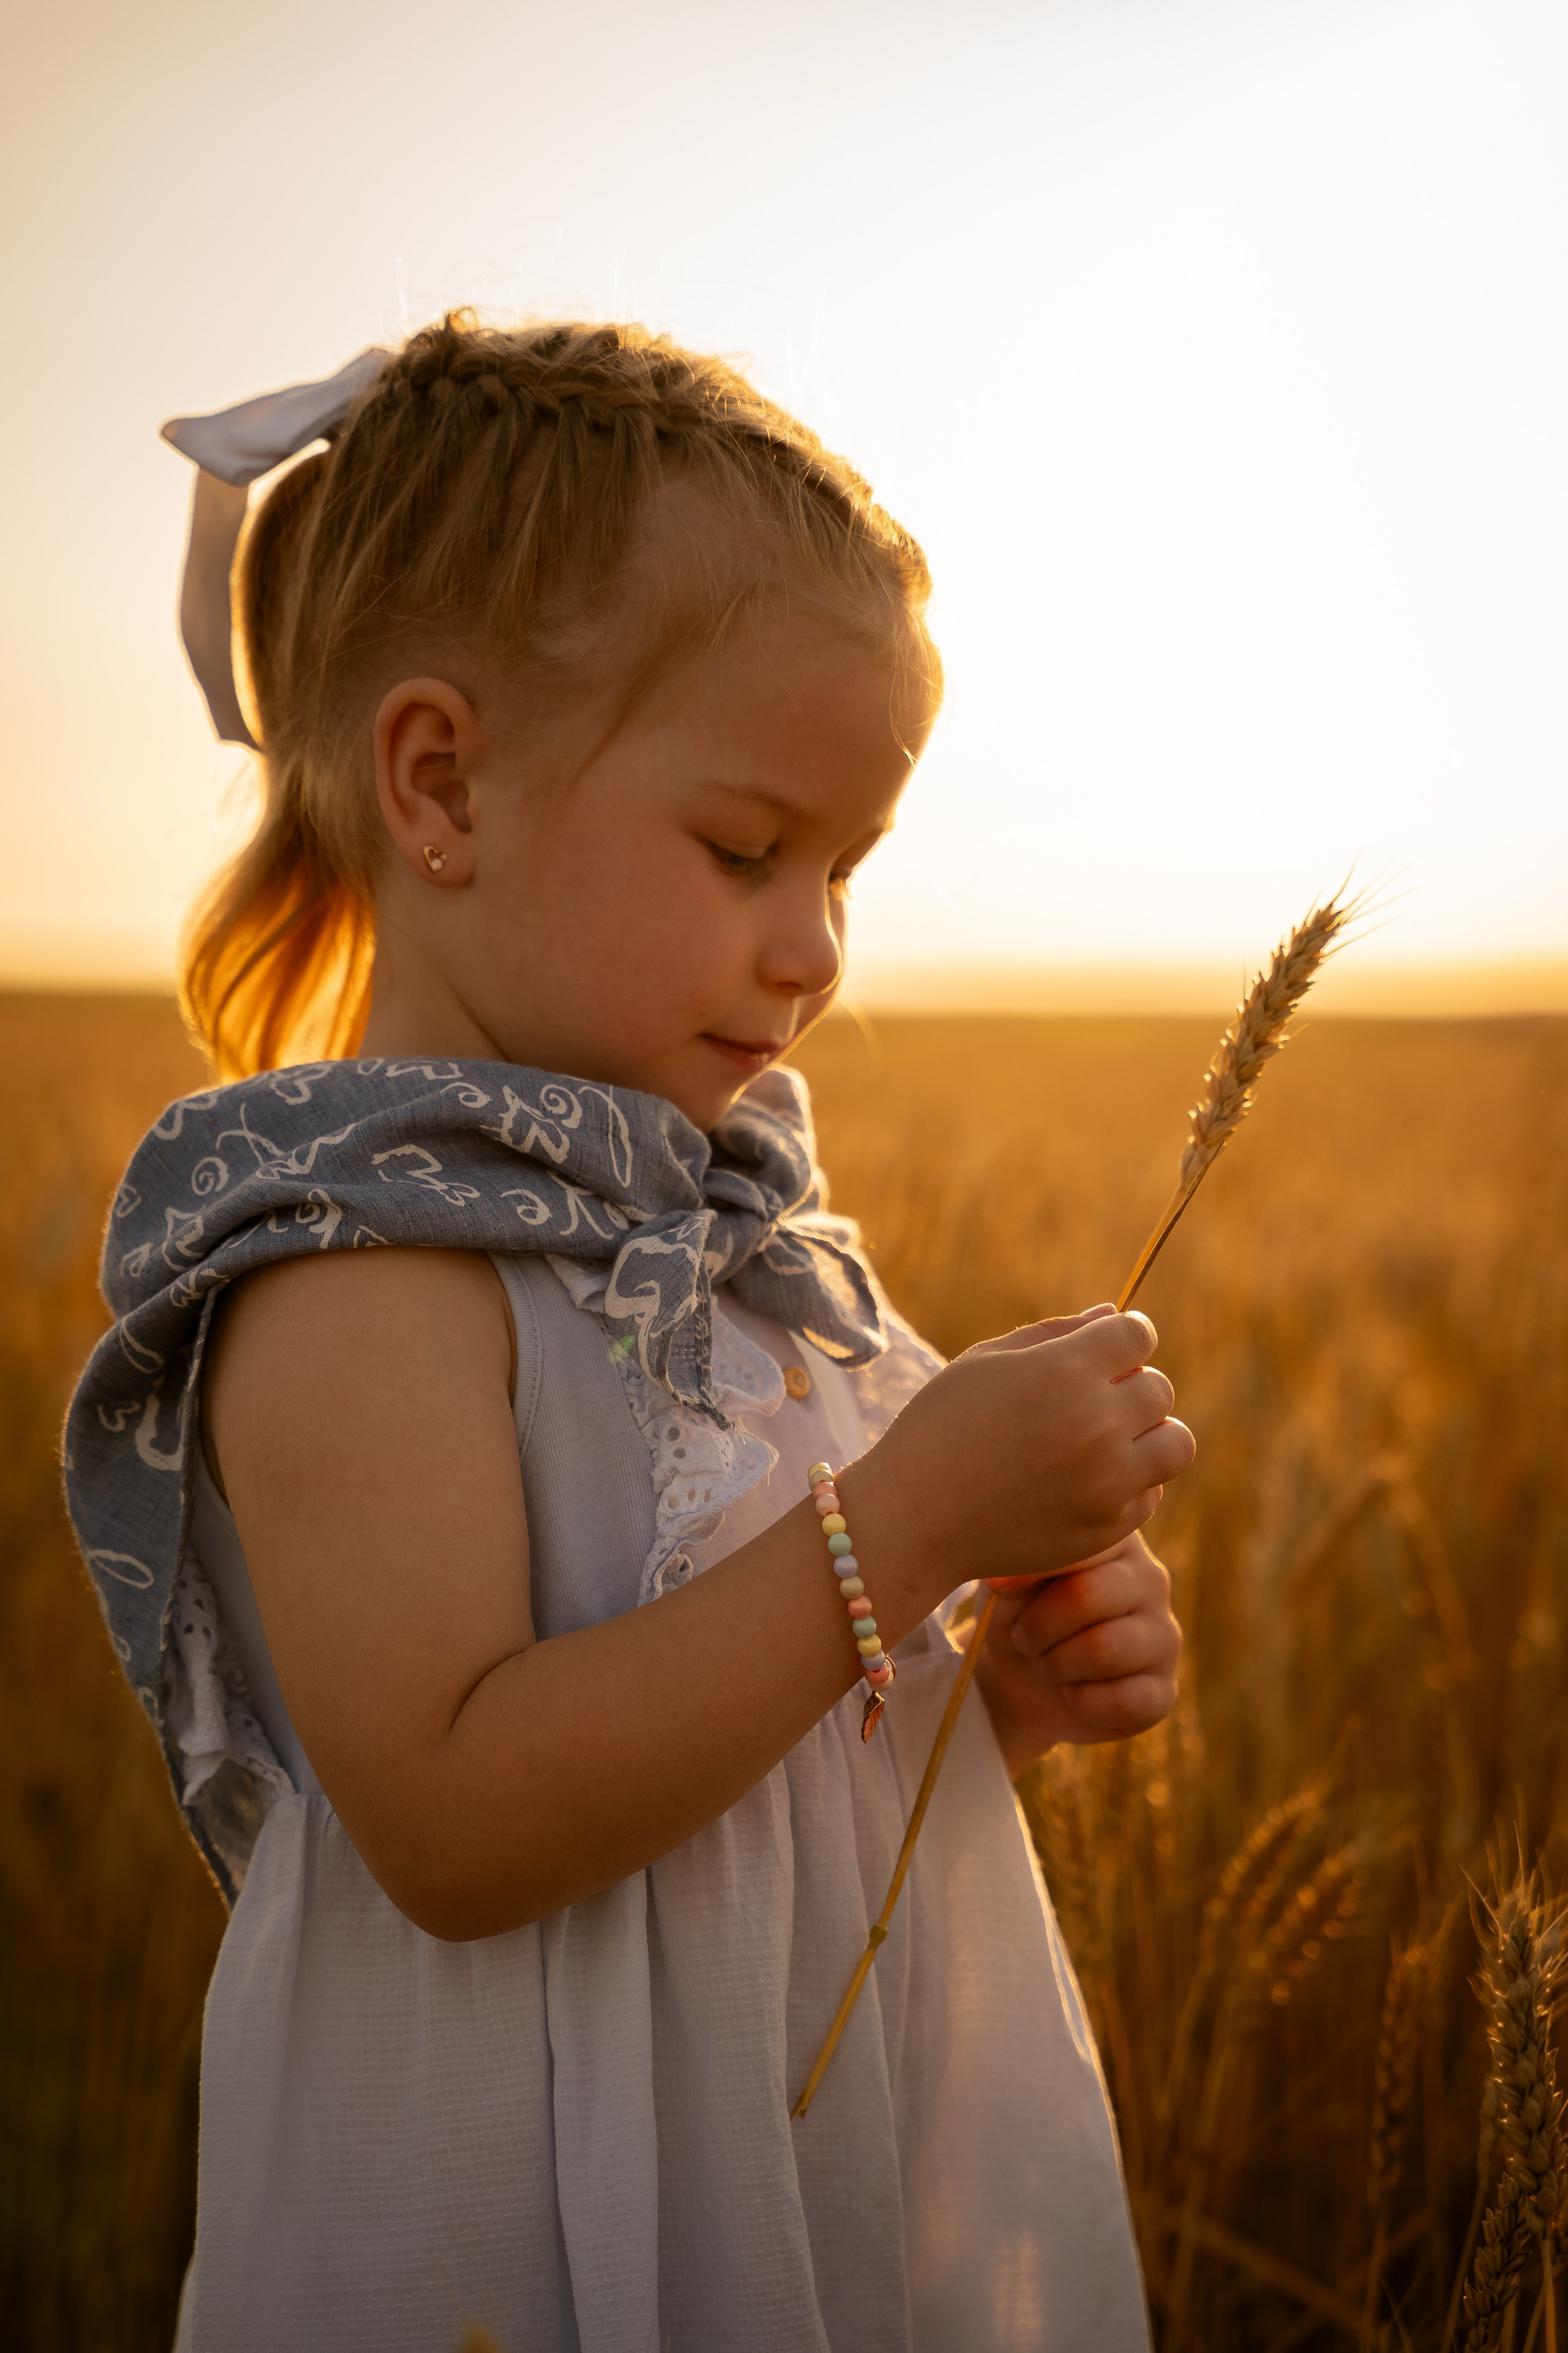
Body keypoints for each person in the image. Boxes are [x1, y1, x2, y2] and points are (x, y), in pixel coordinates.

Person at [66, 313, 1193, 2353]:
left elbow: (761, 1763)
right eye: (747, 849)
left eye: (846, 869)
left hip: (768, 2169)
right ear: (441, 782)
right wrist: (910, 1523)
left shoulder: (725, 1249)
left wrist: (981, 1706)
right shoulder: (354, 1282)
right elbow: (468, 1819)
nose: (814, 946)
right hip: (506, 2237)